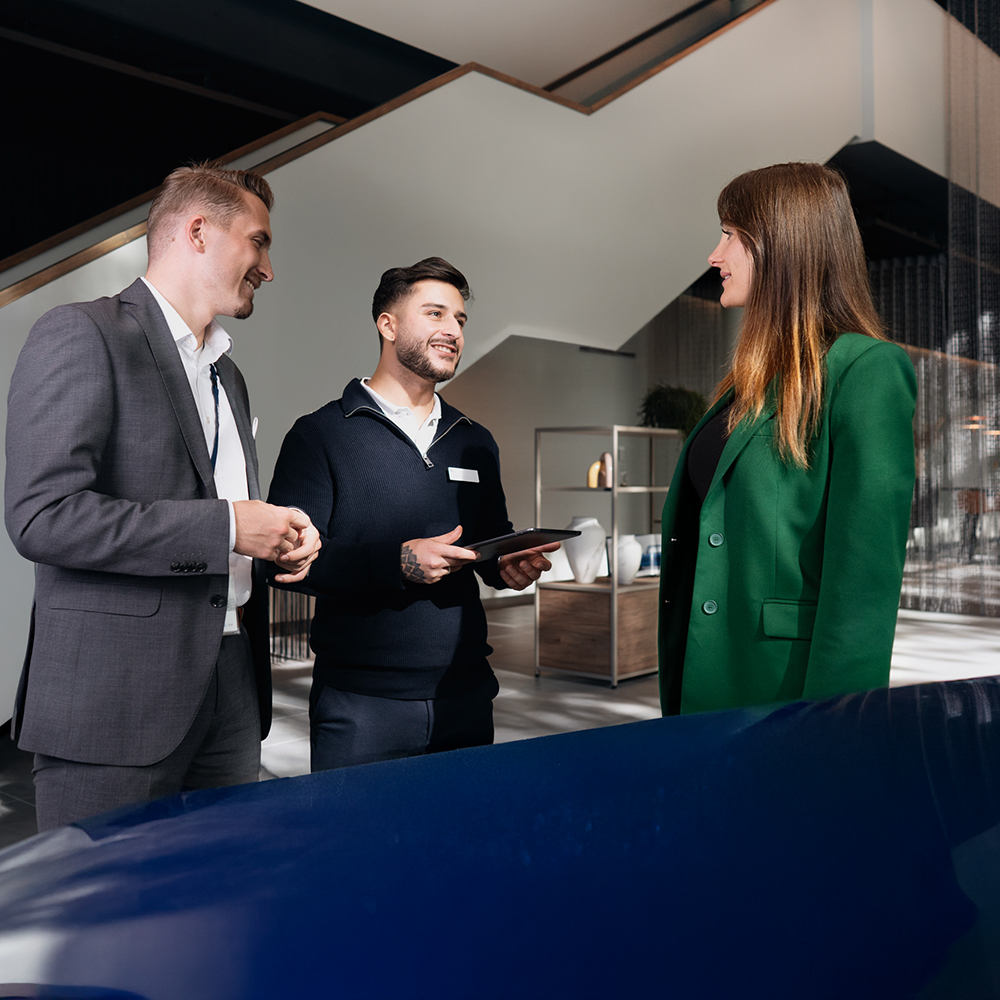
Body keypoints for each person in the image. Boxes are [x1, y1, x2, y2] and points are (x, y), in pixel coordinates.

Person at [5, 164, 321, 830]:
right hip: (113, 707)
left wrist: (277, 544)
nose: (269, 267)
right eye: (258, 242)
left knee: (218, 916)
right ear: (198, 231)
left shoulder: (227, 375)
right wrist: (229, 531)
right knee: (102, 926)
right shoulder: (81, 334)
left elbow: (221, 518)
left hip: (232, 692)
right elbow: (43, 517)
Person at [267, 256, 556, 770]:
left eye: (460, 320)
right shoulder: (320, 435)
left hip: (465, 694)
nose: (453, 330)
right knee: (360, 852)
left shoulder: (474, 441)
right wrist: (398, 563)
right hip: (360, 707)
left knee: (460, 851)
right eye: (436, 314)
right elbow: (283, 563)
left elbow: (488, 541)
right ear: (388, 324)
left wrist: (507, 565)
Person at [658, 162, 917, 715]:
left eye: (731, 235)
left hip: (783, 692)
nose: (715, 255)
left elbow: (863, 585)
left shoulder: (866, 370)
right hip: (706, 678)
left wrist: (834, 729)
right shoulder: (751, 380)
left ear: (782, 245)